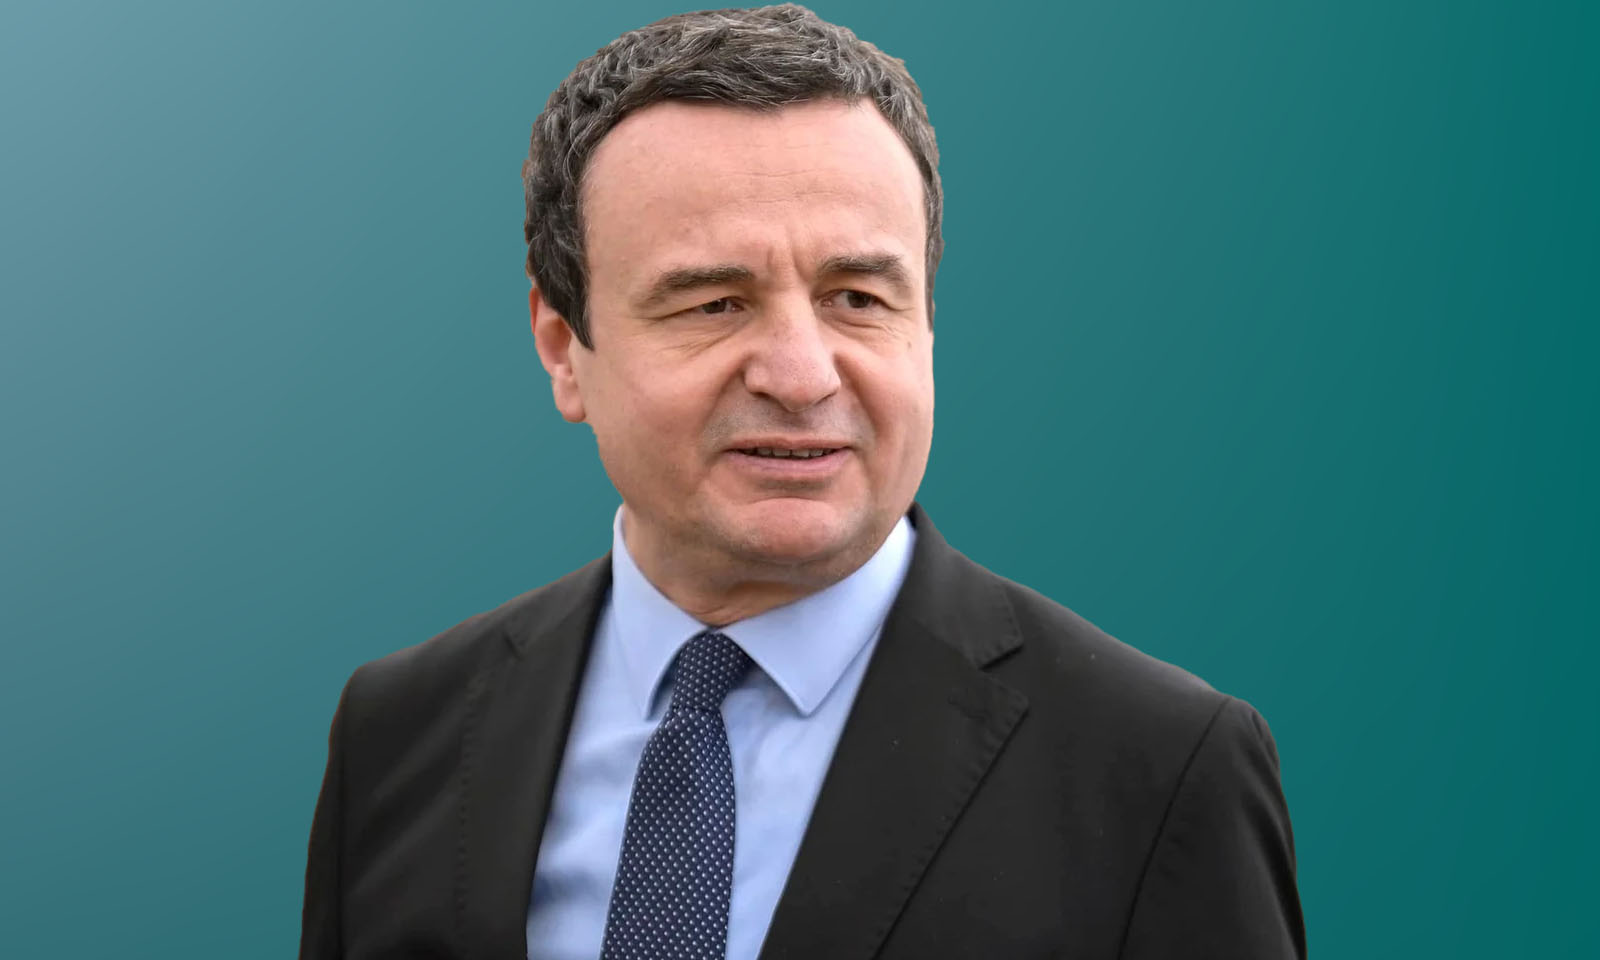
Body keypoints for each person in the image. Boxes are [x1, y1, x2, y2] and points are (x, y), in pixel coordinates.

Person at [298, 5, 1306, 958]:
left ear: (926, 323)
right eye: (714, 304)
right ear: (563, 348)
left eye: (857, 297)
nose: (801, 374)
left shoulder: (1160, 770)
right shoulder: (402, 731)